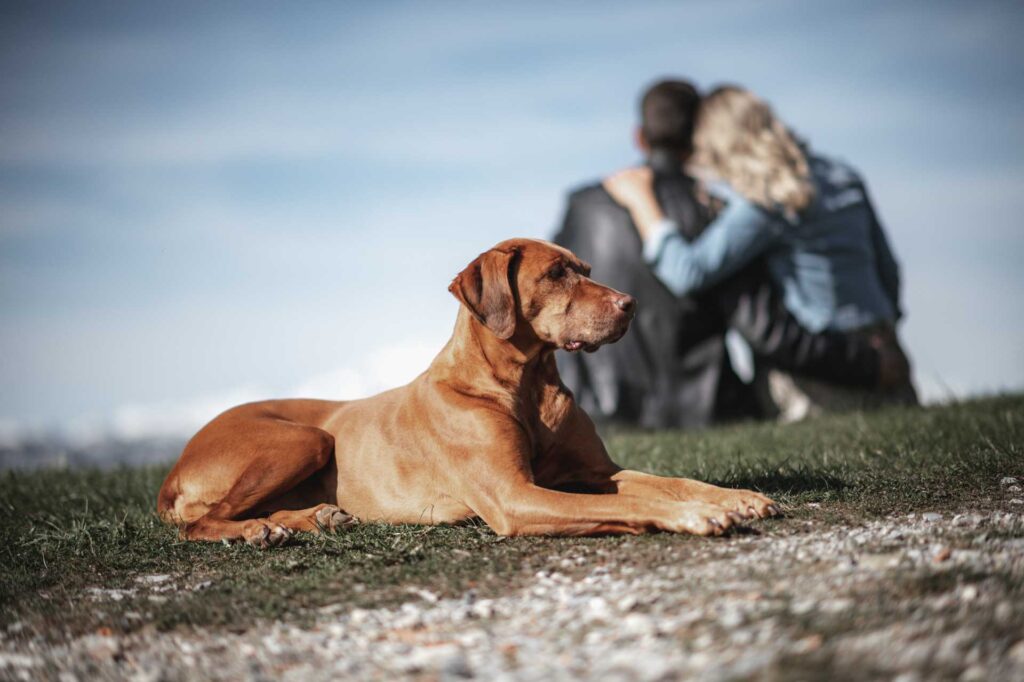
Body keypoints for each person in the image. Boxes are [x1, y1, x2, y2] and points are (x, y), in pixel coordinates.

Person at [555, 79, 905, 429]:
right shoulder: (834, 178)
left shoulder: (583, 204)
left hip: (600, 411)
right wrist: (877, 347)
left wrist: (642, 202)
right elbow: (884, 270)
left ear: (640, 136)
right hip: (715, 408)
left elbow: (682, 273)